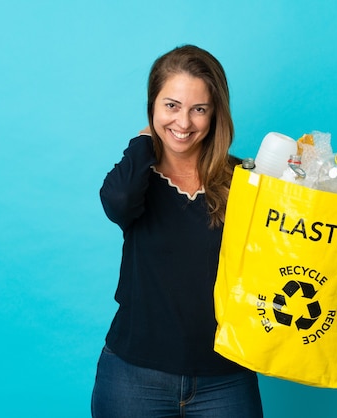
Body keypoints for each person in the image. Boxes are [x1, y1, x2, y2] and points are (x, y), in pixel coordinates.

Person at [91, 45, 264, 417]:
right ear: (152, 106)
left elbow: (273, 259)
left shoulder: (244, 181)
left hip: (226, 378)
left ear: (215, 113)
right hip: (134, 378)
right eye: (171, 106)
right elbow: (117, 200)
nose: (183, 123)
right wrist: (143, 142)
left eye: (198, 109)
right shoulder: (136, 180)